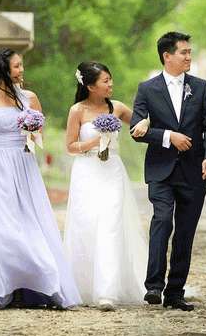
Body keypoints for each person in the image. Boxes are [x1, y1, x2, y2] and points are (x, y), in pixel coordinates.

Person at [0, 48, 81, 310]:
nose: (22, 70)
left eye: (22, 66)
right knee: (1, 228)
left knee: (31, 224)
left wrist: (33, 130)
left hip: (23, 163)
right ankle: (3, 289)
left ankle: (44, 283)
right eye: (17, 66)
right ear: (3, 69)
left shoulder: (29, 98)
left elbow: (39, 133)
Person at [131, 31, 206, 311]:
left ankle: (175, 292)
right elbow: (136, 130)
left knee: (185, 232)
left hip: (195, 171)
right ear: (167, 56)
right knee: (161, 221)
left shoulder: (202, 87)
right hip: (161, 170)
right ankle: (154, 286)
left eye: (190, 52)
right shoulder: (147, 89)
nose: (188, 57)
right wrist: (168, 136)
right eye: (183, 52)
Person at [64, 61, 150, 311]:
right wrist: (94, 141)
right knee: (87, 225)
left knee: (110, 226)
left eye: (110, 79)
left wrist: (145, 123)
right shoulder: (77, 111)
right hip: (86, 171)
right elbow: (70, 147)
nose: (110, 84)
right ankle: (82, 287)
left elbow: (139, 126)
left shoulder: (117, 108)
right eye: (105, 81)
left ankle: (107, 291)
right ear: (90, 86)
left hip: (112, 171)